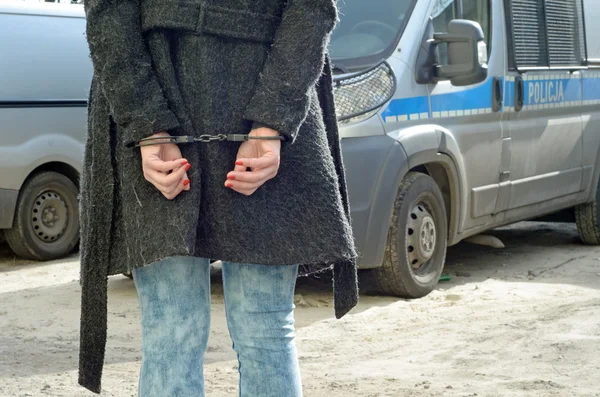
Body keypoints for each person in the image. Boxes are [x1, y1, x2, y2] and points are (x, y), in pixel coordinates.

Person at [78, 0, 359, 395]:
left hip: (228, 96)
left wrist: (273, 120)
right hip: (164, 89)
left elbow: (310, 8)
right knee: (191, 329)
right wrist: (148, 125)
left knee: (186, 330)